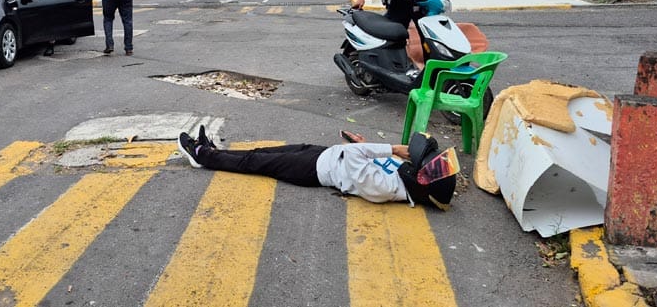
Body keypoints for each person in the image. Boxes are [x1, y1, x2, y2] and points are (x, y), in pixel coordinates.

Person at [177, 127, 457, 210]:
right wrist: (363, 144)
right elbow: (360, 156)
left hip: (312, 170)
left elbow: (358, 161)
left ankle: (201, 155)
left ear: (422, 182)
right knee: (259, 153)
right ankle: (214, 151)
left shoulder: (385, 189)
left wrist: (390, 148)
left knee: (255, 163)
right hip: (322, 155)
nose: (412, 158)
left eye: (419, 161)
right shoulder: (400, 176)